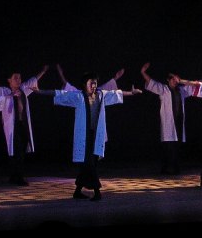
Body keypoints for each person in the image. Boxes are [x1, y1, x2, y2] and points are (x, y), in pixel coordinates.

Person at [37, 72, 141, 201]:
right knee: (89, 164)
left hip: (96, 136)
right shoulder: (78, 96)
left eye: (95, 83)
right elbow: (60, 94)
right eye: (91, 83)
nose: (93, 86)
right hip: (84, 136)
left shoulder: (101, 95)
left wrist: (131, 93)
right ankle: (97, 192)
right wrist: (40, 91)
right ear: (84, 84)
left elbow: (116, 94)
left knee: (90, 164)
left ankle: (77, 191)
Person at [0, 65, 49, 186]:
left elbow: (33, 80)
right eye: (16, 78)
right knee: (16, 151)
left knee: (20, 151)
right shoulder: (5, 91)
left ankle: (15, 176)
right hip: (12, 127)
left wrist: (43, 71)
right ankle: (18, 176)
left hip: (22, 125)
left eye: (20, 78)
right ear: (9, 80)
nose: (19, 80)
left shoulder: (23, 90)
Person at [140, 62, 202, 174]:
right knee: (168, 147)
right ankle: (166, 168)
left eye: (176, 79)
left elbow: (192, 86)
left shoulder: (181, 90)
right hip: (168, 123)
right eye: (173, 79)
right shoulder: (163, 89)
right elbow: (151, 82)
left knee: (176, 146)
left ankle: (175, 168)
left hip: (178, 121)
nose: (175, 81)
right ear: (168, 80)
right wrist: (143, 72)